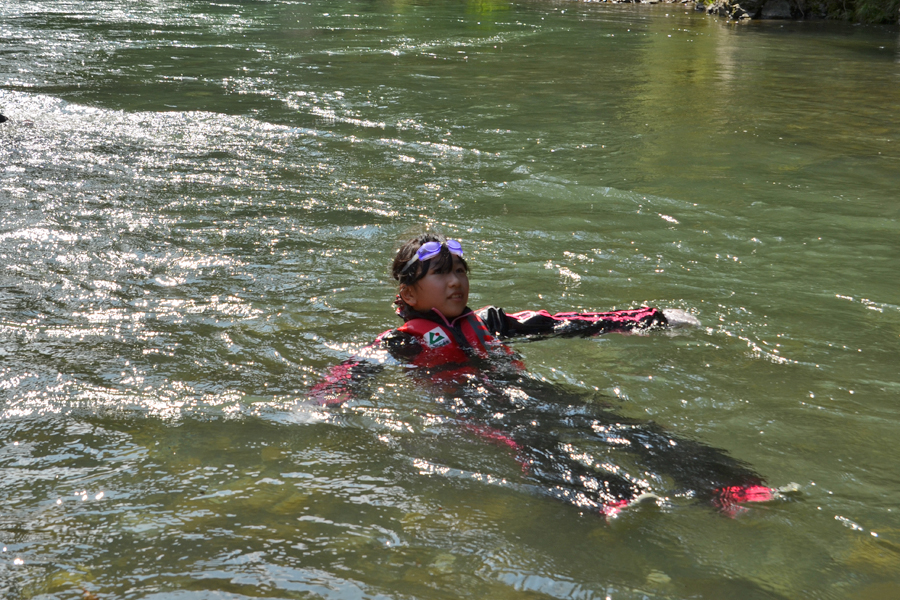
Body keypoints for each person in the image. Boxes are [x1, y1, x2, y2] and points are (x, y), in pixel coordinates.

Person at [310, 233, 775, 517]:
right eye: (440, 274)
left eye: (460, 270)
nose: (456, 282)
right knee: (533, 444)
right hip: (475, 407)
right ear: (409, 294)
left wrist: (648, 319)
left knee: (626, 429)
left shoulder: (489, 322)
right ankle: (609, 500)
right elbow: (356, 367)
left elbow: (565, 322)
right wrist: (326, 400)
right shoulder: (404, 340)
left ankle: (725, 484)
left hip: (527, 390)